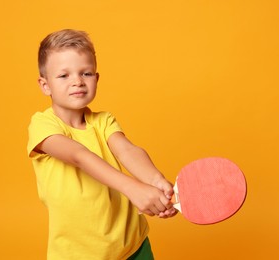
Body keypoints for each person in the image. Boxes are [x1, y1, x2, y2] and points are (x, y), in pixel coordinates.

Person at [27, 29, 177, 260]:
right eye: (64, 76)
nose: (77, 81)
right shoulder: (42, 125)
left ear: (96, 79)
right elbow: (79, 155)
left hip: (132, 245)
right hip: (80, 255)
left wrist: (155, 181)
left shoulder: (103, 121)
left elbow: (127, 150)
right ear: (45, 85)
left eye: (85, 73)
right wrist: (133, 188)